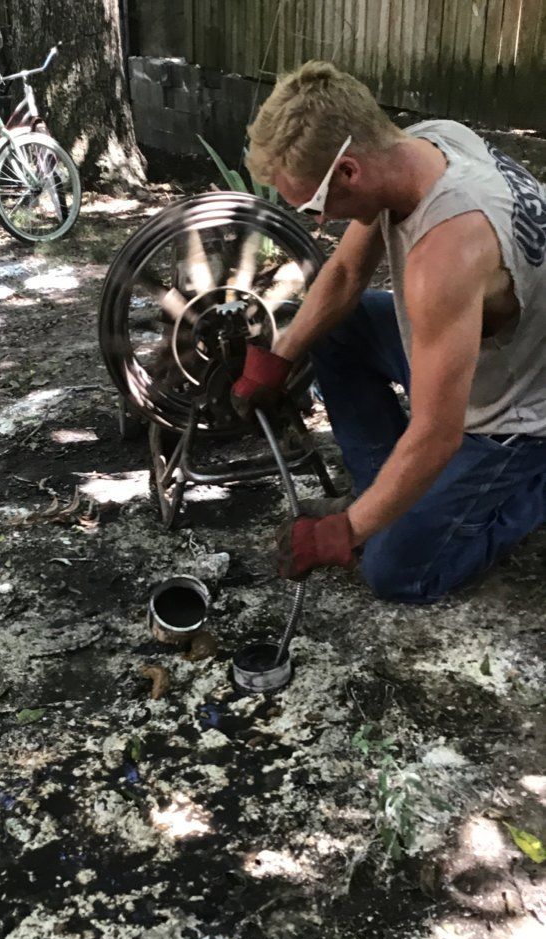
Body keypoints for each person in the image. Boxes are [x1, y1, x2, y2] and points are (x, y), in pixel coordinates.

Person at [231, 61, 546, 604]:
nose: (318, 220)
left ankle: (526, 488)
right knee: (338, 326)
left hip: (519, 411)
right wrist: (280, 356)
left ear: (348, 171)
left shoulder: (447, 251)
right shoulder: (426, 143)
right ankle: (390, 492)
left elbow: (437, 434)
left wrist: (343, 532)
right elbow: (348, 274)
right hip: (487, 352)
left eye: (312, 203)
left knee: (396, 571)